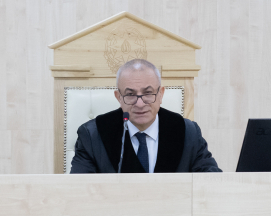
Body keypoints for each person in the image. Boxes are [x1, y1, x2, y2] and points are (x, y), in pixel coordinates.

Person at [70, 58, 221, 173]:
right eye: (130, 94)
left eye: (148, 93)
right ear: (118, 97)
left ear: (161, 94)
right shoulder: (92, 135)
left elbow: (211, 181)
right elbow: (78, 190)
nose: (140, 103)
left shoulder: (188, 132)